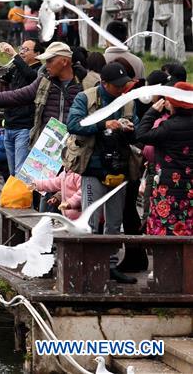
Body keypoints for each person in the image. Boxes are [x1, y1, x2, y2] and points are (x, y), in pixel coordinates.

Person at [65, 62, 138, 284]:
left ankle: (110, 266)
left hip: (119, 168)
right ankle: (89, 267)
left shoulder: (127, 101)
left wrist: (129, 127)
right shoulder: (85, 98)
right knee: (90, 219)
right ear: (104, 84)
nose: (121, 89)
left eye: (123, 85)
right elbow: (73, 124)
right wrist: (103, 123)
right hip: (93, 167)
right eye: (117, 86)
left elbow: (136, 127)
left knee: (114, 222)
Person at [0, 41, 83, 152]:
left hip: (74, 147)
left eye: (50, 61)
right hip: (47, 145)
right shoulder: (44, 82)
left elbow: (29, 74)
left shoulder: (84, 84)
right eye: (21, 48)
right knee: (16, 170)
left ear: (64, 61)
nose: (46, 65)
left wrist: (15, 56)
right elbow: (14, 96)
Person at [135, 82, 193, 237]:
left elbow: (141, 135)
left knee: (167, 231)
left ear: (173, 104)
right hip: (190, 188)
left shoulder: (168, 127)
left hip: (167, 189)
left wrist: (152, 112)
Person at [0, 40, 43, 176]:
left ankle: (23, 196)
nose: (22, 51)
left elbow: (30, 76)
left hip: (25, 127)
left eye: (26, 49)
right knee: (12, 171)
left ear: (38, 54)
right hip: (10, 124)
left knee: (21, 170)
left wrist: (14, 56)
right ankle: (14, 196)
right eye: (21, 48)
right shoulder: (17, 69)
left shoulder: (40, 71)